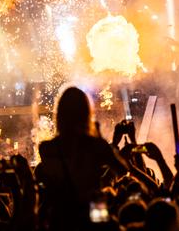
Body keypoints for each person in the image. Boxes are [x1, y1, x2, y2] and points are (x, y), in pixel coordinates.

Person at [35, 87, 128, 230]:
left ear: (60, 114)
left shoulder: (47, 148)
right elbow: (123, 170)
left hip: (61, 218)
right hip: (94, 215)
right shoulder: (95, 145)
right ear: (86, 113)